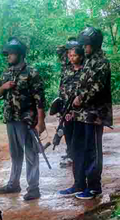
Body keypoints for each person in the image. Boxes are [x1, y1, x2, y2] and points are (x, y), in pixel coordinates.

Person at [59, 27, 113, 200]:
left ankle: (94, 187)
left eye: (87, 45)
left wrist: (81, 98)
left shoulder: (101, 62)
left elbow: (97, 86)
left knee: (92, 151)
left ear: (95, 44)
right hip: (81, 114)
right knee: (78, 149)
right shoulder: (88, 60)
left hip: (95, 114)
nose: (84, 48)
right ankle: (79, 183)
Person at [0, 37, 46, 201]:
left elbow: (40, 99)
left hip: (26, 120)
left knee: (31, 153)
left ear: (19, 54)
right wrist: (3, 87)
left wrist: (41, 121)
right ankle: (13, 184)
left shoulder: (31, 72)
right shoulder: (6, 73)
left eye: (10, 53)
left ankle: (33, 188)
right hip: (10, 119)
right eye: (7, 54)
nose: (8, 56)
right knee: (15, 154)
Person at [54, 38, 85, 168]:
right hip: (65, 107)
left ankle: (76, 156)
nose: (71, 58)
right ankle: (71, 154)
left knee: (77, 135)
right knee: (66, 131)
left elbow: (84, 92)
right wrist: (62, 110)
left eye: (74, 55)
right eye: (69, 55)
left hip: (78, 110)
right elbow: (63, 88)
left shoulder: (84, 70)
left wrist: (72, 111)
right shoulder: (67, 69)